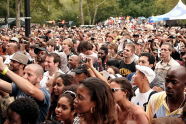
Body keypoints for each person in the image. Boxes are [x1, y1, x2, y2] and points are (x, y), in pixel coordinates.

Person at [0, 57, 50, 123]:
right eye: (24, 73)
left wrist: (4, 69)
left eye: (29, 75)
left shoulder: (44, 93)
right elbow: (3, 85)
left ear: (40, 78)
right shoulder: (20, 88)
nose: (24, 77)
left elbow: (31, 91)